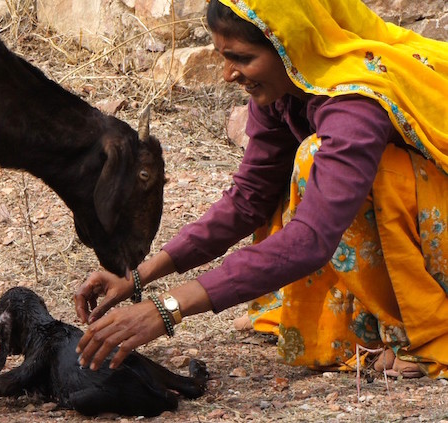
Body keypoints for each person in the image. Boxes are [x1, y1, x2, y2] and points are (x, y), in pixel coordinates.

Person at [74, 0, 448, 379]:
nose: (227, 74)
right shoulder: (288, 88)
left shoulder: (355, 104)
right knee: (302, 174)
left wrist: (169, 307)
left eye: (242, 58)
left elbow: (313, 237)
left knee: (314, 160)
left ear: (289, 45)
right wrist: (137, 275)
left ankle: (420, 332)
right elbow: (248, 199)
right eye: (223, 56)